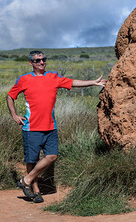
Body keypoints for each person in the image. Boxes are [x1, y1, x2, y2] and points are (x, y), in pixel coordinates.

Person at [6, 50, 107, 203]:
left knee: (52, 156)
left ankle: (25, 181)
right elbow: (10, 96)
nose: (41, 62)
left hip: (50, 127)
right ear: (31, 63)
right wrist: (14, 115)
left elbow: (72, 82)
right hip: (31, 127)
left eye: (43, 60)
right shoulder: (24, 79)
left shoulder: (53, 77)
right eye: (37, 61)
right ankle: (36, 191)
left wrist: (93, 82)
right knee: (31, 160)